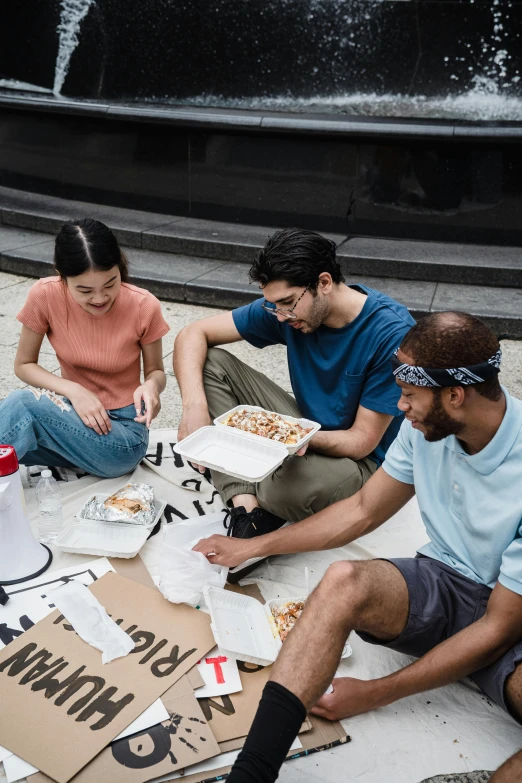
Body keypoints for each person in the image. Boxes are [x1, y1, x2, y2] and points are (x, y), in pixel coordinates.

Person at [210, 312, 522, 783]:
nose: (401, 408)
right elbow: (361, 510)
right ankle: (250, 774)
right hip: (445, 581)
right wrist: (254, 547)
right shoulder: (427, 430)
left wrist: (375, 692)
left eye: (410, 396)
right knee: (343, 579)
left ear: (455, 395)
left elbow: (499, 627)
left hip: (513, 620)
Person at [174, 227, 415, 548]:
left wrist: (283, 438)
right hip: (305, 424)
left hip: (361, 463)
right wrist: (194, 408)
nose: (281, 316)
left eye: (287, 303)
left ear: (324, 283)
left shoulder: (391, 334)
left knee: (279, 490)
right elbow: (193, 333)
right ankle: (247, 508)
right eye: (273, 305)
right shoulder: (286, 310)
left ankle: (252, 479)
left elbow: (361, 442)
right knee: (208, 362)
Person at [0, 218, 169, 478]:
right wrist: (75, 391)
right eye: (85, 290)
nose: (100, 298)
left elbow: (156, 370)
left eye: (110, 284)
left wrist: (151, 387)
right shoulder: (44, 295)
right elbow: (24, 364)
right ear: (62, 276)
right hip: (67, 419)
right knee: (15, 418)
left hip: (122, 437)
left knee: (21, 405)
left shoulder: (144, 305)